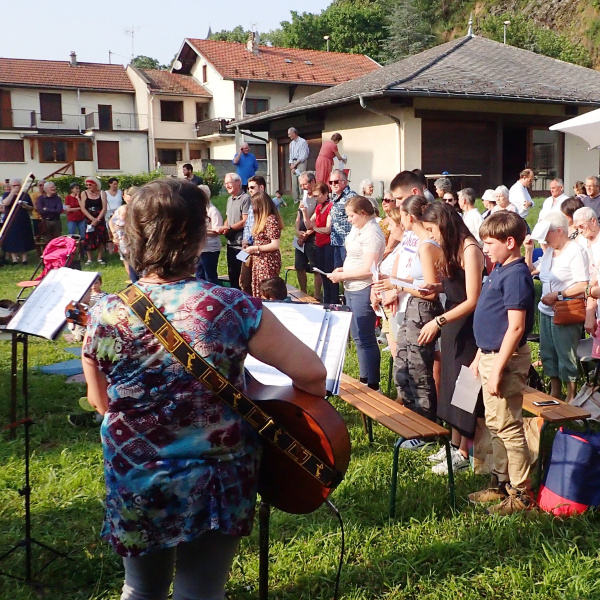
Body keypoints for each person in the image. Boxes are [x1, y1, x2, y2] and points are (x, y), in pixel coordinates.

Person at [81, 178, 326, 600]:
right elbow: (313, 375)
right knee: (200, 593)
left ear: (134, 239)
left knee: (140, 589)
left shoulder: (105, 312)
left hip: (137, 476)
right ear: (198, 236)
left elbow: (99, 402)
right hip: (217, 478)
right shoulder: (232, 306)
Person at [468, 211, 536, 515]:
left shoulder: (517, 276)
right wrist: (480, 355)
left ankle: (521, 494)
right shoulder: (499, 268)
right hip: (491, 356)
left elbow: (516, 327)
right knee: (494, 423)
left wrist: (496, 370)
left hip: (505, 361)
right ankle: (500, 482)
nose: (485, 248)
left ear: (510, 242)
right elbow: (492, 322)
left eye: (489, 242)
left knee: (508, 426)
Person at [418, 202, 485, 475]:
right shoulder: (453, 248)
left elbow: (473, 299)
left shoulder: (470, 249)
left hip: (467, 325)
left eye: (433, 230)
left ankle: (464, 451)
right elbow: (454, 285)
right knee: (450, 384)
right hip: (453, 322)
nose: (432, 236)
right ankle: (453, 443)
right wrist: (436, 286)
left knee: (466, 386)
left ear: (444, 224)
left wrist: (438, 320)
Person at [377, 196, 443, 421]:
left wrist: (397, 285)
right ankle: (409, 417)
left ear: (410, 217)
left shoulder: (427, 246)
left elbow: (431, 291)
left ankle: (424, 424)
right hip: (413, 306)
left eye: (401, 214)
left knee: (418, 369)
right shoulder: (419, 243)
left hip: (423, 309)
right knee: (402, 362)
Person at [526, 212, 589, 402]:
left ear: (559, 231)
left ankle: (571, 396)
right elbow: (531, 271)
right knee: (548, 353)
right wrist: (528, 250)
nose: (544, 240)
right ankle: (555, 392)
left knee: (565, 354)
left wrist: (559, 295)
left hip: (565, 311)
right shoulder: (549, 253)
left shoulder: (576, 251)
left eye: (547, 235)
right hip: (546, 311)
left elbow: (582, 285)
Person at [329, 196, 385, 390]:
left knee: (366, 335)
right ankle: (364, 378)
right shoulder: (358, 228)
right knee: (357, 336)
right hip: (351, 285)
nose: (349, 219)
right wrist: (341, 271)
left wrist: (343, 276)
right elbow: (353, 256)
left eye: (352, 215)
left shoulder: (372, 233)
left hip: (364, 287)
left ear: (363, 213)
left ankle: (373, 383)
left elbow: (370, 269)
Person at [245, 191, 284, 297]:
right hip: (259, 261)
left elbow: (275, 244)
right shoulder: (260, 219)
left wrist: (255, 248)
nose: (252, 208)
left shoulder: (271, 219)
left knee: (267, 291)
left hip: (267, 261)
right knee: (257, 289)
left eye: (254, 205)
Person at [218, 173, 250, 290]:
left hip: (241, 245)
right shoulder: (229, 199)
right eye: (225, 183)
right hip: (230, 243)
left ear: (238, 183)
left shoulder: (245, 198)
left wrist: (230, 228)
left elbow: (245, 220)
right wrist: (225, 227)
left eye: (229, 183)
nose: (227, 186)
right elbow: (228, 218)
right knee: (232, 274)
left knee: (242, 277)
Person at [310, 182, 338, 304]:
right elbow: (309, 223)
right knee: (322, 274)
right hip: (319, 245)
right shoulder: (318, 207)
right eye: (314, 196)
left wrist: (315, 228)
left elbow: (328, 229)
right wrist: (304, 212)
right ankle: (326, 300)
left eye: (318, 196)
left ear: (326, 194)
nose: (316, 198)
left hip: (328, 245)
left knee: (329, 273)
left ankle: (333, 301)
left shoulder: (331, 206)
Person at [295, 171, 321, 298]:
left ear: (313, 182)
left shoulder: (317, 199)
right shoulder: (303, 197)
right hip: (300, 237)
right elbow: (298, 216)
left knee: (315, 267)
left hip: (313, 237)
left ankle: (316, 295)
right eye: (301, 185)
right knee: (299, 266)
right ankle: (303, 292)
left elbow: (316, 221)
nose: (302, 187)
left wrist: (307, 234)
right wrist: (297, 231)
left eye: (304, 184)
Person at [240, 175, 268, 294]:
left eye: (252, 187)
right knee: (244, 282)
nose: (249, 190)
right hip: (248, 249)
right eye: (248, 188)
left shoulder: (268, 205)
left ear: (261, 187)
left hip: (261, 251)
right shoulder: (252, 204)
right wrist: (245, 239)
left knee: (262, 286)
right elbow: (248, 225)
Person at [1, 178, 35, 264]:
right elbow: (6, 203)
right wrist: (12, 193)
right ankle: (14, 259)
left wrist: (25, 206)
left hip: (22, 219)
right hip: (10, 219)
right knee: (12, 238)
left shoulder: (25, 195)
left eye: (17, 185)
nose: (15, 187)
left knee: (23, 237)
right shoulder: (7, 194)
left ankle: (24, 258)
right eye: (13, 185)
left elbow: (31, 207)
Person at [329, 169, 358, 268]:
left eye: (336, 181)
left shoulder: (351, 196)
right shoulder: (335, 197)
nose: (333, 184)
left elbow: (358, 219)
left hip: (348, 243)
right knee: (339, 272)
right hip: (336, 242)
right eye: (331, 182)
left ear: (345, 182)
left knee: (348, 271)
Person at [109, 186, 138, 283]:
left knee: (130, 259)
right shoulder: (123, 208)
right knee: (127, 259)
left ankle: (134, 280)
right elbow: (111, 222)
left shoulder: (134, 208)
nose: (129, 198)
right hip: (124, 238)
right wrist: (114, 234)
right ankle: (133, 280)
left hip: (129, 237)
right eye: (128, 195)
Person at [195, 184, 223, 285]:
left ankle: (215, 297)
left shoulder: (213, 211)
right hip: (199, 249)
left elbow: (217, 230)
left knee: (209, 276)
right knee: (198, 275)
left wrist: (201, 230)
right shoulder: (198, 211)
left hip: (210, 248)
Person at [79, 176, 109, 266]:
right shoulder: (84, 193)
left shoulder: (102, 193)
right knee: (88, 237)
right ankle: (89, 258)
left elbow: (104, 207)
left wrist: (98, 219)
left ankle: (99, 257)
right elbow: (83, 208)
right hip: (89, 217)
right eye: (87, 185)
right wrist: (92, 219)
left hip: (99, 217)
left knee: (100, 237)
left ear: (96, 185)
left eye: (90, 184)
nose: (88, 186)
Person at [573, 206, 600, 275]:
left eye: (582, 226)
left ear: (593, 221)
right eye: (577, 228)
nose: (580, 231)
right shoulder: (580, 239)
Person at [288, 127, 309, 203]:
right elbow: (290, 155)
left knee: (301, 180)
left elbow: (304, 155)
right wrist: (291, 164)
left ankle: (302, 199)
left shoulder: (302, 141)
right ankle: (295, 200)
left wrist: (296, 164)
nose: (289, 136)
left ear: (294, 133)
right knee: (294, 182)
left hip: (300, 162)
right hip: (293, 162)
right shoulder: (291, 143)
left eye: (290, 134)